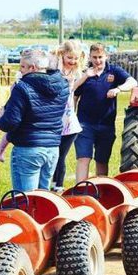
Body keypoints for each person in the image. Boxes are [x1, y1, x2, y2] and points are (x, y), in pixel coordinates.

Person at [0, 49, 69, 192]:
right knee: (44, 201)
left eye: (23, 67)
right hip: (52, 148)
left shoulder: (22, 87)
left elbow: (11, 122)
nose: (20, 71)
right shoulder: (63, 85)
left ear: (33, 68)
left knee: (25, 201)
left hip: (28, 148)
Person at [73, 43, 138, 181]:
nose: (97, 60)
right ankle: (79, 190)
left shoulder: (113, 71)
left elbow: (132, 82)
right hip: (84, 124)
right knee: (84, 158)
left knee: (102, 160)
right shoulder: (85, 74)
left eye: (100, 57)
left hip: (106, 124)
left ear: (106, 56)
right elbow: (74, 95)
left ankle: (101, 190)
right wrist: (72, 116)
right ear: (90, 57)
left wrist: (118, 89)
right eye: (94, 57)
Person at [52, 41, 86, 193]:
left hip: (69, 122)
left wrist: (86, 76)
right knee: (52, 155)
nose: (72, 61)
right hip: (54, 120)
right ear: (62, 55)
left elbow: (73, 88)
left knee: (60, 156)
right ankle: (51, 184)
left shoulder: (76, 72)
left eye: (75, 58)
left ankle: (58, 187)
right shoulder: (55, 68)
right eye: (69, 57)